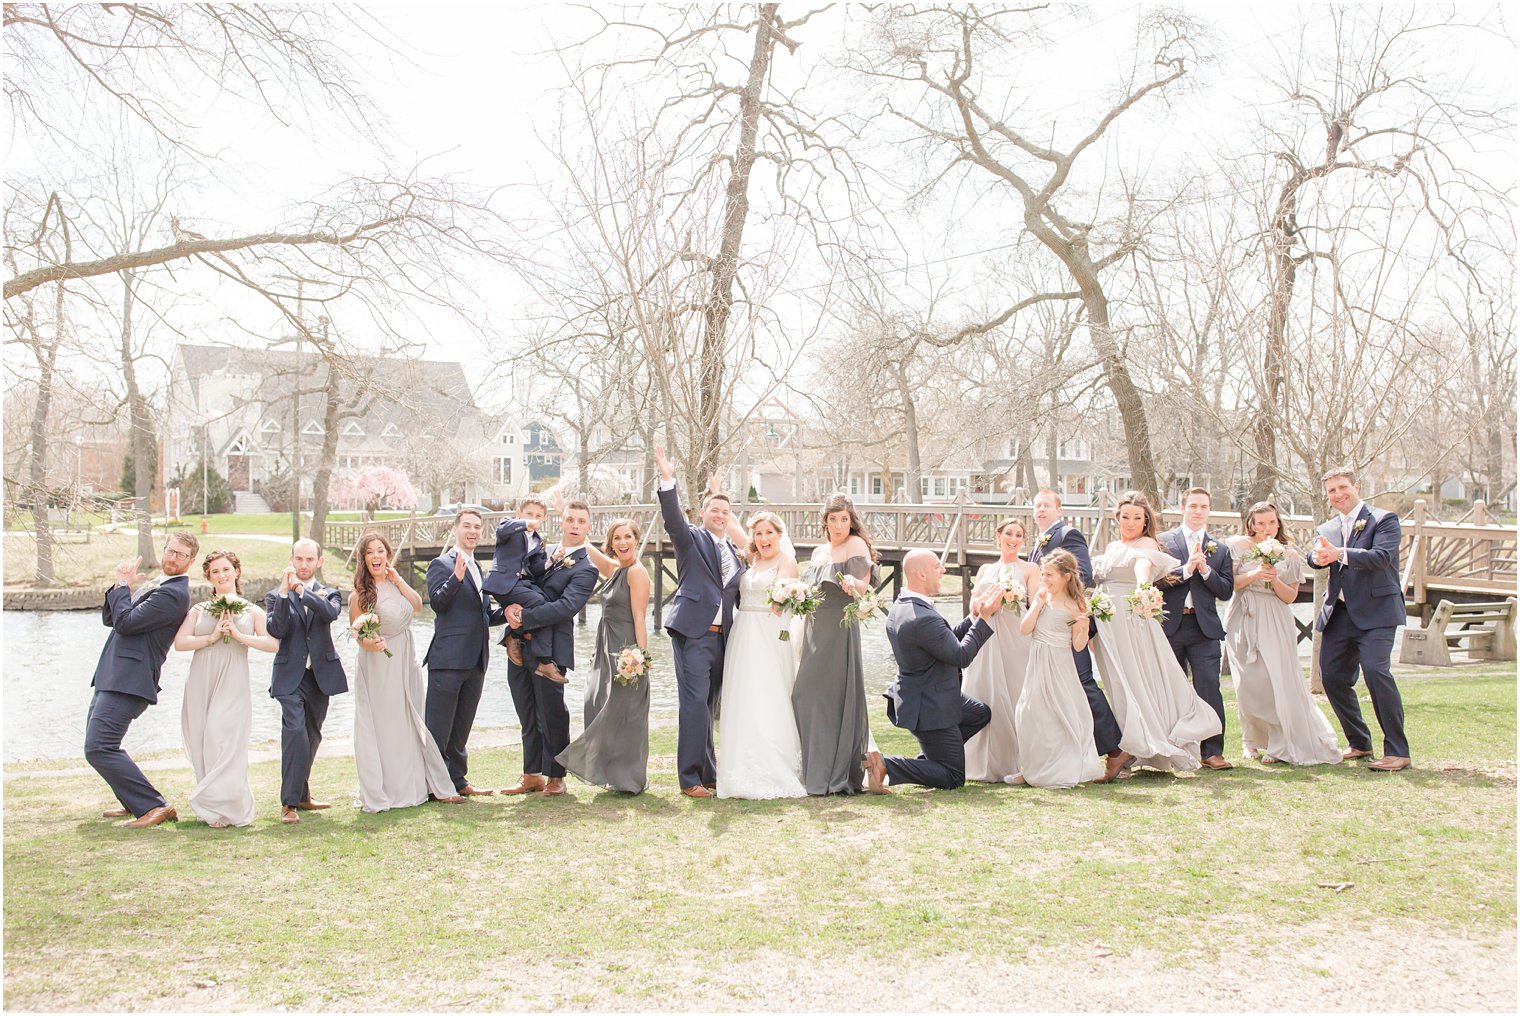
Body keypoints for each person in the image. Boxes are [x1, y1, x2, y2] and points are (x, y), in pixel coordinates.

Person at [1088, 491, 1223, 773]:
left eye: (1137, 517)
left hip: (1130, 618)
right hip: (1107, 622)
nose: (1130, 522)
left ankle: (1142, 741)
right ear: (1117, 517)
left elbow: (1143, 564)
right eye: (1125, 517)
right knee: (1116, 680)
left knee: (1136, 678)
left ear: (1145, 519)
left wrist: (1141, 587)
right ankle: (1133, 743)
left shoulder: (1147, 542)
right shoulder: (1112, 546)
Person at [86, 532, 198, 828]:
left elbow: (126, 623)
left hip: (129, 680)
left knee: (100, 746)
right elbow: (112, 619)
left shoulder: (174, 594)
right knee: (98, 745)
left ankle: (155, 806)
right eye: (170, 551)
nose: (172, 558)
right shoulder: (157, 584)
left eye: (181, 555)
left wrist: (124, 586)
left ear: (191, 561)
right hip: (113, 675)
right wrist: (120, 585)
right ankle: (131, 801)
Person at [654, 445, 745, 799]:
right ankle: (689, 777)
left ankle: (708, 773)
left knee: (708, 706)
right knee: (694, 704)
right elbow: (673, 518)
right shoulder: (691, 539)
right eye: (714, 510)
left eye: (725, 511)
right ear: (703, 512)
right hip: (693, 633)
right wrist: (667, 480)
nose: (720, 515)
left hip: (724, 638)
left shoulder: (736, 554)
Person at [348, 532, 463, 812]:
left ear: (388, 555)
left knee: (410, 719)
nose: (376, 557)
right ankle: (387, 789)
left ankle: (416, 785)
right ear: (364, 559)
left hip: (406, 657)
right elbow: (356, 633)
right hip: (379, 662)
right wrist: (371, 644)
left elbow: (417, 605)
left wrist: (396, 578)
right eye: (370, 553)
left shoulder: (397, 584)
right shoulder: (359, 595)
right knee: (386, 722)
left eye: (381, 551)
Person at [865, 549, 995, 793]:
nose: (943, 570)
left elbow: (944, 643)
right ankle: (886, 764)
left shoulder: (904, 606)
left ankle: (932, 760)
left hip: (927, 694)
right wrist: (985, 620)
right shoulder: (921, 617)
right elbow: (960, 655)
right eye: (938, 566)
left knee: (979, 713)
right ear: (921, 574)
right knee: (953, 776)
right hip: (930, 706)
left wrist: (973, 617)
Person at [1308, 466, 1411, 772]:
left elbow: (1381, 557)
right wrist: (1316, 558)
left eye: (1343, 487)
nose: (1338, 494)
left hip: (1378, 612)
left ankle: (1397, 750)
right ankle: (1359, 742)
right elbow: (1314, 558)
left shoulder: (1384, 519)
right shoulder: (1326, 529)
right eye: (1332, 491)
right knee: (1332, 678)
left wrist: (1339, 553)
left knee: (1377, 673)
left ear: (1356, 486)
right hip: (1339, 614)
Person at [1224, 502, 1342, 765]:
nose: (1267, 529)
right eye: (1261, 523)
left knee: (1275, 679)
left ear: (1278, 523)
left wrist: (1274, 579)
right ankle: (1251, 740)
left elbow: (1290, 597)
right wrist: (1255, 573)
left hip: (1275, 615)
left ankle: (1279, 742)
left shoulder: (1289, 554)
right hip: (1243, 614)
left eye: (1272, 523)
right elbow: (1229, 584)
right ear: (1251, 523)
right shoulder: (1236, 546)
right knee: (1247, 681)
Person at [1027, 489, 1130, 782]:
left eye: (1047, 505)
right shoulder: (1042, 540)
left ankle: (1115, 750)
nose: (1041, 510)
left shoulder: (1068, 535)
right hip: (1046, 625)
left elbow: (1081, 573)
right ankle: (1064, 751)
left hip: (1067, 623)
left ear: (1059, 509)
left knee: (1083, 683)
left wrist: (1069, 612)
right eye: (1037, 506)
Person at [500, 498, 600, 797]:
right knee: (526, 712)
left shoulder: (586, 568)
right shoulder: (543, 552)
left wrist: (524, 617)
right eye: (570, 520)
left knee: (552, 712)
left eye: (581, 522)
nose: (575, 525)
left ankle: (557, 775)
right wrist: (509, 610)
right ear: (562, 521)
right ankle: (531, 774)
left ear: (588, 527)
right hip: (520, 644)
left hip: (552, 649)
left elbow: (565, 607)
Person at [175, 550, 274, 827]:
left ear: (237, 572)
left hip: (233, 679)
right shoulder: (199, 610)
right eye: (215, 571)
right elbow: (180, 643)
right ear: (209, 576)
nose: (222, 575)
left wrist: (240, 636)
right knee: (201, 738)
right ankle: (211, 808)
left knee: (222, 736)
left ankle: (230, 805)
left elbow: (272, 644)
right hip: (201, 678)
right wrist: (212, 637)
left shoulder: (252, 610)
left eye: (226, 569)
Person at [715, 510, 808, 800]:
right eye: (758, 533)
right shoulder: (753, 560)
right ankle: (741, 762)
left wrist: (784, 599)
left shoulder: (786, 561)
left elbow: (781, 601)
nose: (763, 538)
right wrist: (717, 495)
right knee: (743, 695)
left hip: (769, 634)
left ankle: (773, 763)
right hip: (743, 632)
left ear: (779, 535)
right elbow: (732, 525)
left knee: (767, 694)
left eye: (769, 532)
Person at [556, 518, 653, 793]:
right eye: (617, 538)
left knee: (624, 711)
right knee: (596, 702)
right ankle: (611, 771)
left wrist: (639, 658)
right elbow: (586, 547)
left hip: (625, 648)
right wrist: (572, 523)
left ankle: (629, 778)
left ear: (636, 539)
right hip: (605, 645)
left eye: (627, 537)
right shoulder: (616, 569)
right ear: (610, 543)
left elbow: (640, 616)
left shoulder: (636, 572)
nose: (622, 543)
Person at [794, 492, 877, 796]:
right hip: (815, 627)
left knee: (834, 698)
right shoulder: (818, 552)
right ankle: (815, 770)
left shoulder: (856, 545)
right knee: (803, 695)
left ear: (851, 520)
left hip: (840, 627)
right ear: (825, 521)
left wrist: (853, 585)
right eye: (833, 519)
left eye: (844, 519)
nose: (839, 525)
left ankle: (837, 775)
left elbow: (864, 588)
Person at [264, 538, 348, 825]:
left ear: (318, 562)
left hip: (320, 677)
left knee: (311, 737)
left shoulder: (330, 593)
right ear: (291, 559)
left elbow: (330, 614)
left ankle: (302, 794)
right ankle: (289, 804)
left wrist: (302, 592)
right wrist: (288, 595)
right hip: (289, 678)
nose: (303, 565)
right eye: (298, 559)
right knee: (295, 734)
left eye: (309, 560)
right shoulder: (276, 596)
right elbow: (277, 629)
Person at [422, 508, 505, 798]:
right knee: (438, 727)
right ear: (455, 529)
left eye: (477, 527)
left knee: (461, 728)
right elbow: (438, 603)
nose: (472, 531)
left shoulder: (478, 567)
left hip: (476, 658)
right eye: (467, 526)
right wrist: (456, 578)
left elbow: (482, 615)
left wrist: (508, 613)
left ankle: (458, 780)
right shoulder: (440, 564)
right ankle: (433, 786)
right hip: (448, 658)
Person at [1157, 487, 1236, 770]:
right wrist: (1187, 570)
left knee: (1209, 687)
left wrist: (1205, 571)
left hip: (1204, 629)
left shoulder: (1220, 548)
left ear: (1208, 510)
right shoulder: (1163, 542)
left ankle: (1212, 751)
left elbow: (1226, 591)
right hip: (1171, 626)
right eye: (1193, 506)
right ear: (1182, 508)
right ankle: (1173, 747)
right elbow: (1156, 582)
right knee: (1171, 688)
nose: (1198, 511)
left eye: (1203, 506)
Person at [1012, 550, 1106, 788]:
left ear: (1066, 576)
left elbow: (1078, 645)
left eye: (1050, 575)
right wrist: (1038, 603)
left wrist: (1084, 626)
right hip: (1037, 661)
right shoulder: (1042, 598)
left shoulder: (1076, 604)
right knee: (1028, 713)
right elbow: (1025, 629)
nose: (1044, 579)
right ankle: (1031, 768)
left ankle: (1058, 768)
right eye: (1043, 574)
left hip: (1059, 663)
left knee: (1056, 715)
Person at [961, 517, 1039, 783]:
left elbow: (1035, 606)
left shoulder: (1030, 569)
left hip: (1015, 637)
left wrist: (1011, 596)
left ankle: (1020, 759)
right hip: (986, 635)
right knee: (982, 688)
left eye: (1019, 535)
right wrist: (979, 604)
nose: (1014, 539)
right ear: (999, 536)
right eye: (1009, 533)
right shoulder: (984, 569)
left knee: (1017, 692)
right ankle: (977, 759)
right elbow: (973, 603)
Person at [482, 494, 563, 683]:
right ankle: (543, 659)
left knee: (547, 602)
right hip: (502, 582)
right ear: (519, 513)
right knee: (539, 602)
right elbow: (501, 531)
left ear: (544, 518)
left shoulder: (538, 541)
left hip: (522, 583)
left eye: (538, 515)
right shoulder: (509, 526)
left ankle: (514, 635)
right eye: (529, 514)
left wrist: (552, 559)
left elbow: (535, 568)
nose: (534, 518)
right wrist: (525, 523)